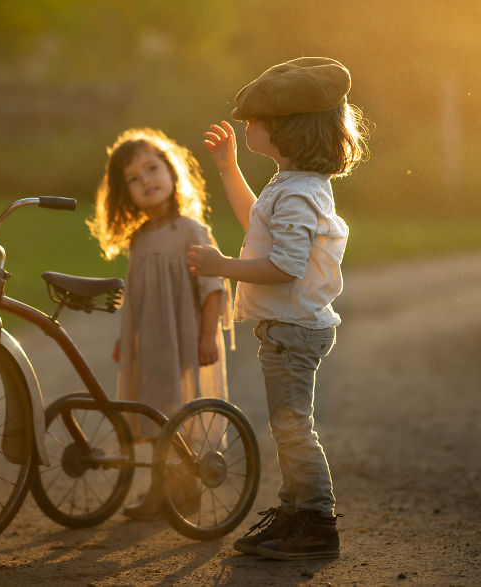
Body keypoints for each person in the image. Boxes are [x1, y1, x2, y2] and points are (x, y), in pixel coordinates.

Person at [187, 57, 369, 560]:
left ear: (287, 129)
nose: (248, 125)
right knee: (288, 424)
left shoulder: (297, 194)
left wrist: (222, 266)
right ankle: (294, 513)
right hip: (288, 328)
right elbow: (257, 226)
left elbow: (284, 266)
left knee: (292, 426)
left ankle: (315, 522)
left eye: (256, 119)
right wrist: (229, 169)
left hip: (291, 330)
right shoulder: (293, 186)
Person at [88, 127, 233, 519]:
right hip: (150, 345)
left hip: (184, 339)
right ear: (124, 192)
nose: (146, 181)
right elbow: (135, 299)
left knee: (178, 413)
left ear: (171, 171)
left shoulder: (189, 229)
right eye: (133, 179)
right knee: (154, 413)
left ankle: (184, 487)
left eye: (152, 168)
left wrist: (207, 335)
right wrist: (126, 340)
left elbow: (213, 285)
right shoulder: (138, 239)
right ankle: (160, 489)